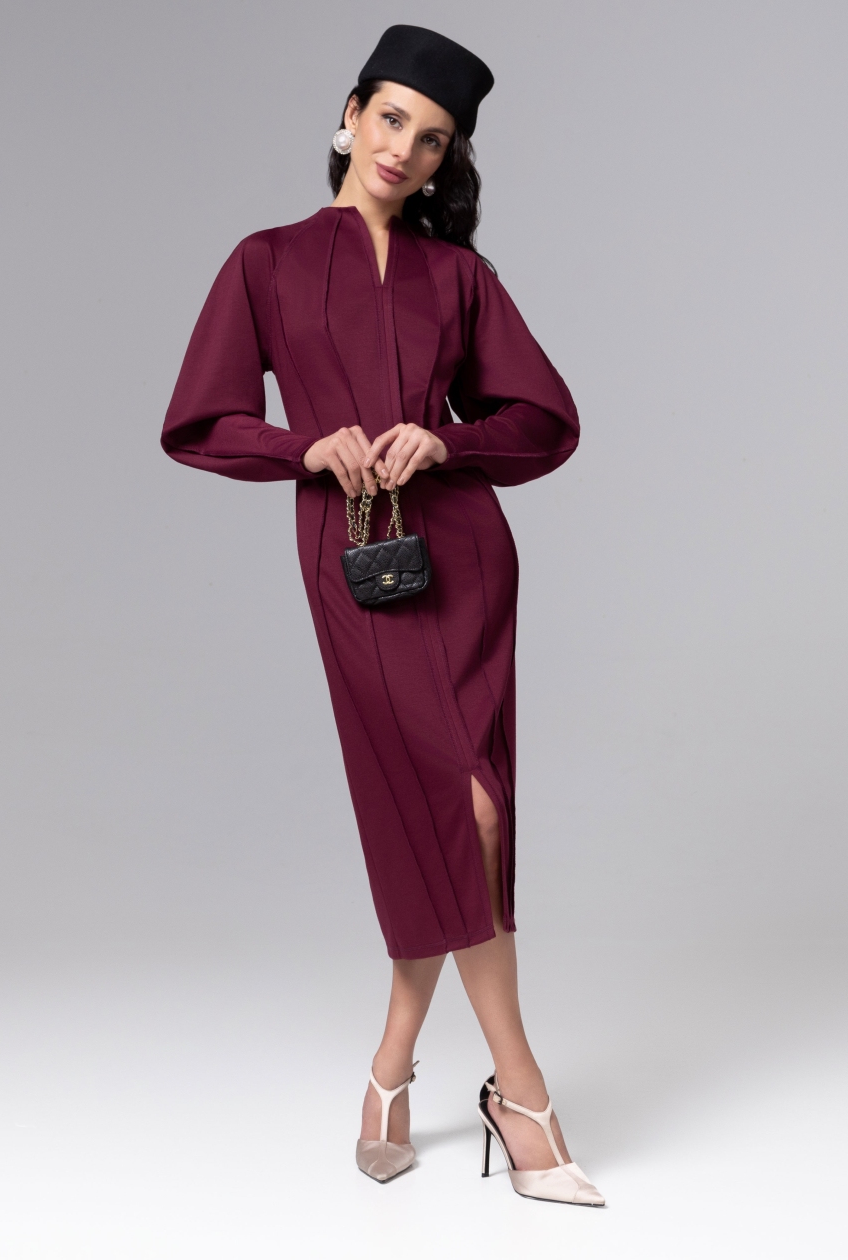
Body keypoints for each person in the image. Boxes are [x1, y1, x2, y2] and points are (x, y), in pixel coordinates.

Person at [162, 25, 602, 1207]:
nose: (406, 149)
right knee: (459, 809)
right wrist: (304, 447)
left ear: (448, 157)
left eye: (434, 138)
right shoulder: (264, 262)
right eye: (393, 118)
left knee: (469, 814)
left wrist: (445, 440)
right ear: (352, 114)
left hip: (465, 555)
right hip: (355, 561)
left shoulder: (459, 276)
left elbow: (545, 419)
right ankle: (521, 1089)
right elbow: (200, 419)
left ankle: (394, 1071)